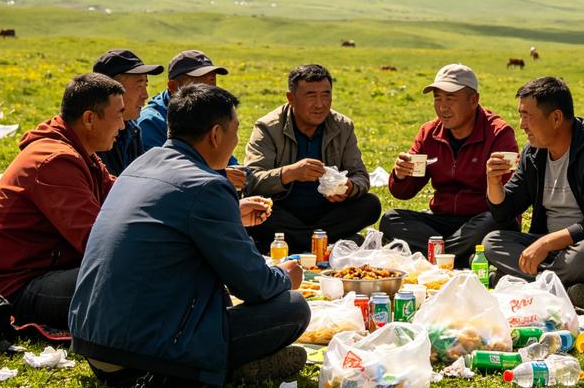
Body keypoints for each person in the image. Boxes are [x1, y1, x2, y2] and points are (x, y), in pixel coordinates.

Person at [70, 84, 310, 388]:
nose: (235, 144)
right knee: (292, 307)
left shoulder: (140, 166)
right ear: (215, 135)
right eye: (235, 132)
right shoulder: (208, 185)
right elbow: (255, 285)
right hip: (141, 355)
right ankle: (215, 369)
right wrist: (285, 276)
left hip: (95, 343)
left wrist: (232, 216)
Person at [482, 76, 584, 311]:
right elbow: (505, 211)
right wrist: (493, 182)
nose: (521, 124)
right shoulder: (534, 154)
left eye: (527, 116)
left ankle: (527, 283)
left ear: (556, 118)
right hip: (556, 254)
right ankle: (573, 290)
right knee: (493, 241)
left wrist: (545, 244)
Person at [0, 73, 124, 327]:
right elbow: (95, 241)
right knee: (127, 278)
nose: (122, 125)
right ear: (89, 119)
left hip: (48, 270)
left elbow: (121, 197)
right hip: (17, 287)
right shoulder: (55, 161)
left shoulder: (79, 152)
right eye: (118, 115)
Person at [380, 64, 519, 268]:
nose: (443, 107)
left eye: (450, 99)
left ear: (474, 100)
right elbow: (404, 192)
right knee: (391, 219)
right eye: (438, 98)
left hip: (481, 218)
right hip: (442, 221)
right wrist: (400, 175)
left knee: (495, 222)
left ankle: (434, 256)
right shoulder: (429, 132)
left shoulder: (498, 134)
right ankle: (459, 257)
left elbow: (508, 199)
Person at [242, 64, 381, 253]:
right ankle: (323, 242)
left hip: (328, 212)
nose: (320, 104)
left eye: (326, 95)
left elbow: (361, 176)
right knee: (257, 211)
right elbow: (252, 181)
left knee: (370, 205)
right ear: (291, 98)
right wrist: (289, 173)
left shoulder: (343, 126)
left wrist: (348, 188)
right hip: (283, 211)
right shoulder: (267, 127)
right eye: (311, 96)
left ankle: (299, 242)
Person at [138, 49, 243, 190]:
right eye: (199, 84)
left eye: (212, 81)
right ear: (173, 87)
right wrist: (219, 174)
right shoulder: (151, 122)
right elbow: (162, 174)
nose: (209, 92)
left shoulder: (211, 113)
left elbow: (228, 159)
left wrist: (239, 174)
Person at [92, 49, 163, 176]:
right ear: (113, 90)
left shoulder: (132, 130)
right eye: (139, 86)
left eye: (146, 85)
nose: (146, 95)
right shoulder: (92, 135)